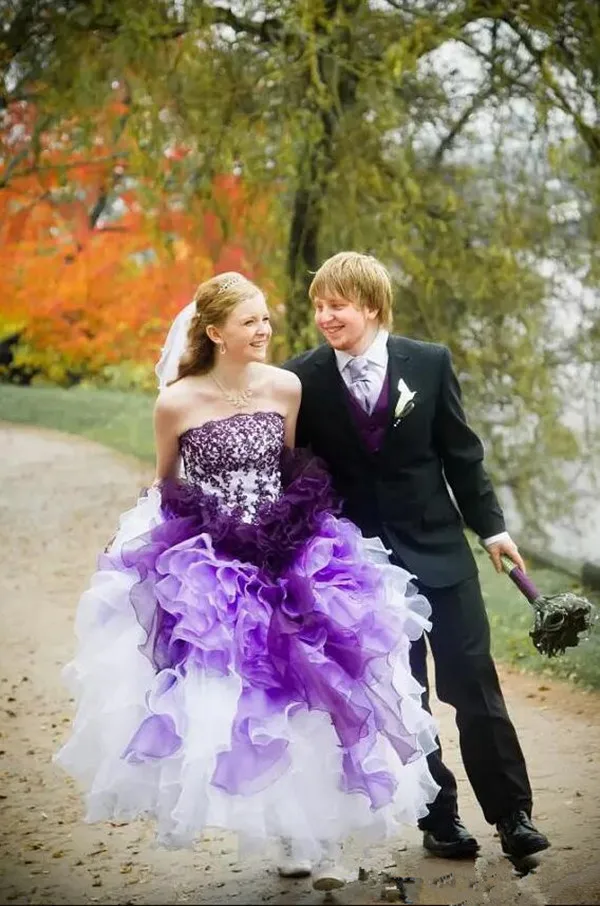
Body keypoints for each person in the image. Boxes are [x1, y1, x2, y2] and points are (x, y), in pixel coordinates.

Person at [55, 271, 441, 893]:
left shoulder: (285, 388)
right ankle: (289, 830)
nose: (264, 331)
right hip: (214, 563)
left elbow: (288, 466)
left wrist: (286, 528)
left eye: (266, 319)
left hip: (291, 551)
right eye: (249, 322)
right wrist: (153, 549)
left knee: (319, 688)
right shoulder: (176, 402)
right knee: (252, 702)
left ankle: (325, 836)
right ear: (214, 333)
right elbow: (167, 482)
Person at [282, 251, 550, 862]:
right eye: (318, 306)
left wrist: (491, 529)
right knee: (406, 700)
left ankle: (513, 817)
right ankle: (440, 819)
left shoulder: (428, 364)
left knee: (474, 689)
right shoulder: (304, 379)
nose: (325, 316)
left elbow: (462, 454)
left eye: (337, 305)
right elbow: (300, 475)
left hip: (441, 556)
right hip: (364, 571)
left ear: (371, 306)